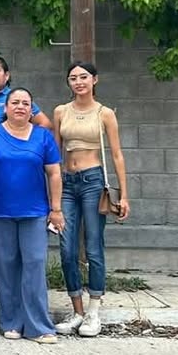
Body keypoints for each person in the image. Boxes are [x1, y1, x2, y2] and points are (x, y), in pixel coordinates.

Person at [0, 87, 64, 344]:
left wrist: (56, 209)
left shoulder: (43, 137)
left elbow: (54, 173)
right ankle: (11, 322)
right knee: (5, 268)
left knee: (35, 266)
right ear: (5, 108)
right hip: (0, 211)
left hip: (35, 212)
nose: (19, 107)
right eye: (14, 102)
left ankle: (38, 326)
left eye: (25, 103)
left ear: (31, 109)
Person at [0, 55, 52, 308]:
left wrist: (32, 154)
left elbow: (45, 124)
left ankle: (12, 291)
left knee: (25, 245)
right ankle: (1, 284)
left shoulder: (14, 99)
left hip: (12, 168)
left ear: (6, 75)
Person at [53, 62, 130, 338]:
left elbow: (117, 154)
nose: (78, 82)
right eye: (73, 77)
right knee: (66, 247)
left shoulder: (104, 113)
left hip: (93, 180)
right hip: (67, 182)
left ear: (95, 80)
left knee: (94, 246)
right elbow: (54, 155)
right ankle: (77, 310)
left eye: (83, 77)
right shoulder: (61, 111)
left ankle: (94, 310)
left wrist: (124, 194)